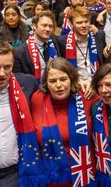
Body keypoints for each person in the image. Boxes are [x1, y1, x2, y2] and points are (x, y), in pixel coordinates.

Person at [0, 40, 40, 186]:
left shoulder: (28, 84)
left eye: (7, 67)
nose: (2, 73)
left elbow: (56, 90)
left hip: (17, 174)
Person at [30, 57, 97, 186]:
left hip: (83, 175)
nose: (58, 85)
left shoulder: (86, 97)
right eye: (53, 81)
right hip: (51, 178)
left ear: (71, 79)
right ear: (46, 83)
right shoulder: (36, 100)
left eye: (63, 79)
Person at [58, 6, 106, 90]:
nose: (84, 25)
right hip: (75, 84)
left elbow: (104, 63)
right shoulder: (62, 41)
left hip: (97, 83)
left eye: (86, 22)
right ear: (71, 24)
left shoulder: (98, 36)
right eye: (79, 23)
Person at [13, 10, 60, 82]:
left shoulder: (55, 44)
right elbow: (19, 79)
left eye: (50, 26)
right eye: (44, 25)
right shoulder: (20, 51)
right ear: (34, 26)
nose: (48, 29)